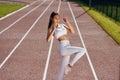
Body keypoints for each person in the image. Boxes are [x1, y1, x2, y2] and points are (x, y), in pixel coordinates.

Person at [46, 12, 85, 80]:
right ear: (52, 18)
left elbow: (73, 32)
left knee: (61, 71)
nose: (57, 20)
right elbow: (48, 40)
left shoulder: (63, 25)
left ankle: (67, 67)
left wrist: (67, 22)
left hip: (68, 46)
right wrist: (53, 30)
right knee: (82, 50)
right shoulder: (51, 28)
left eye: (58, 18)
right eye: (56, 18)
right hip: (63, 47)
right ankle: (70, 65)